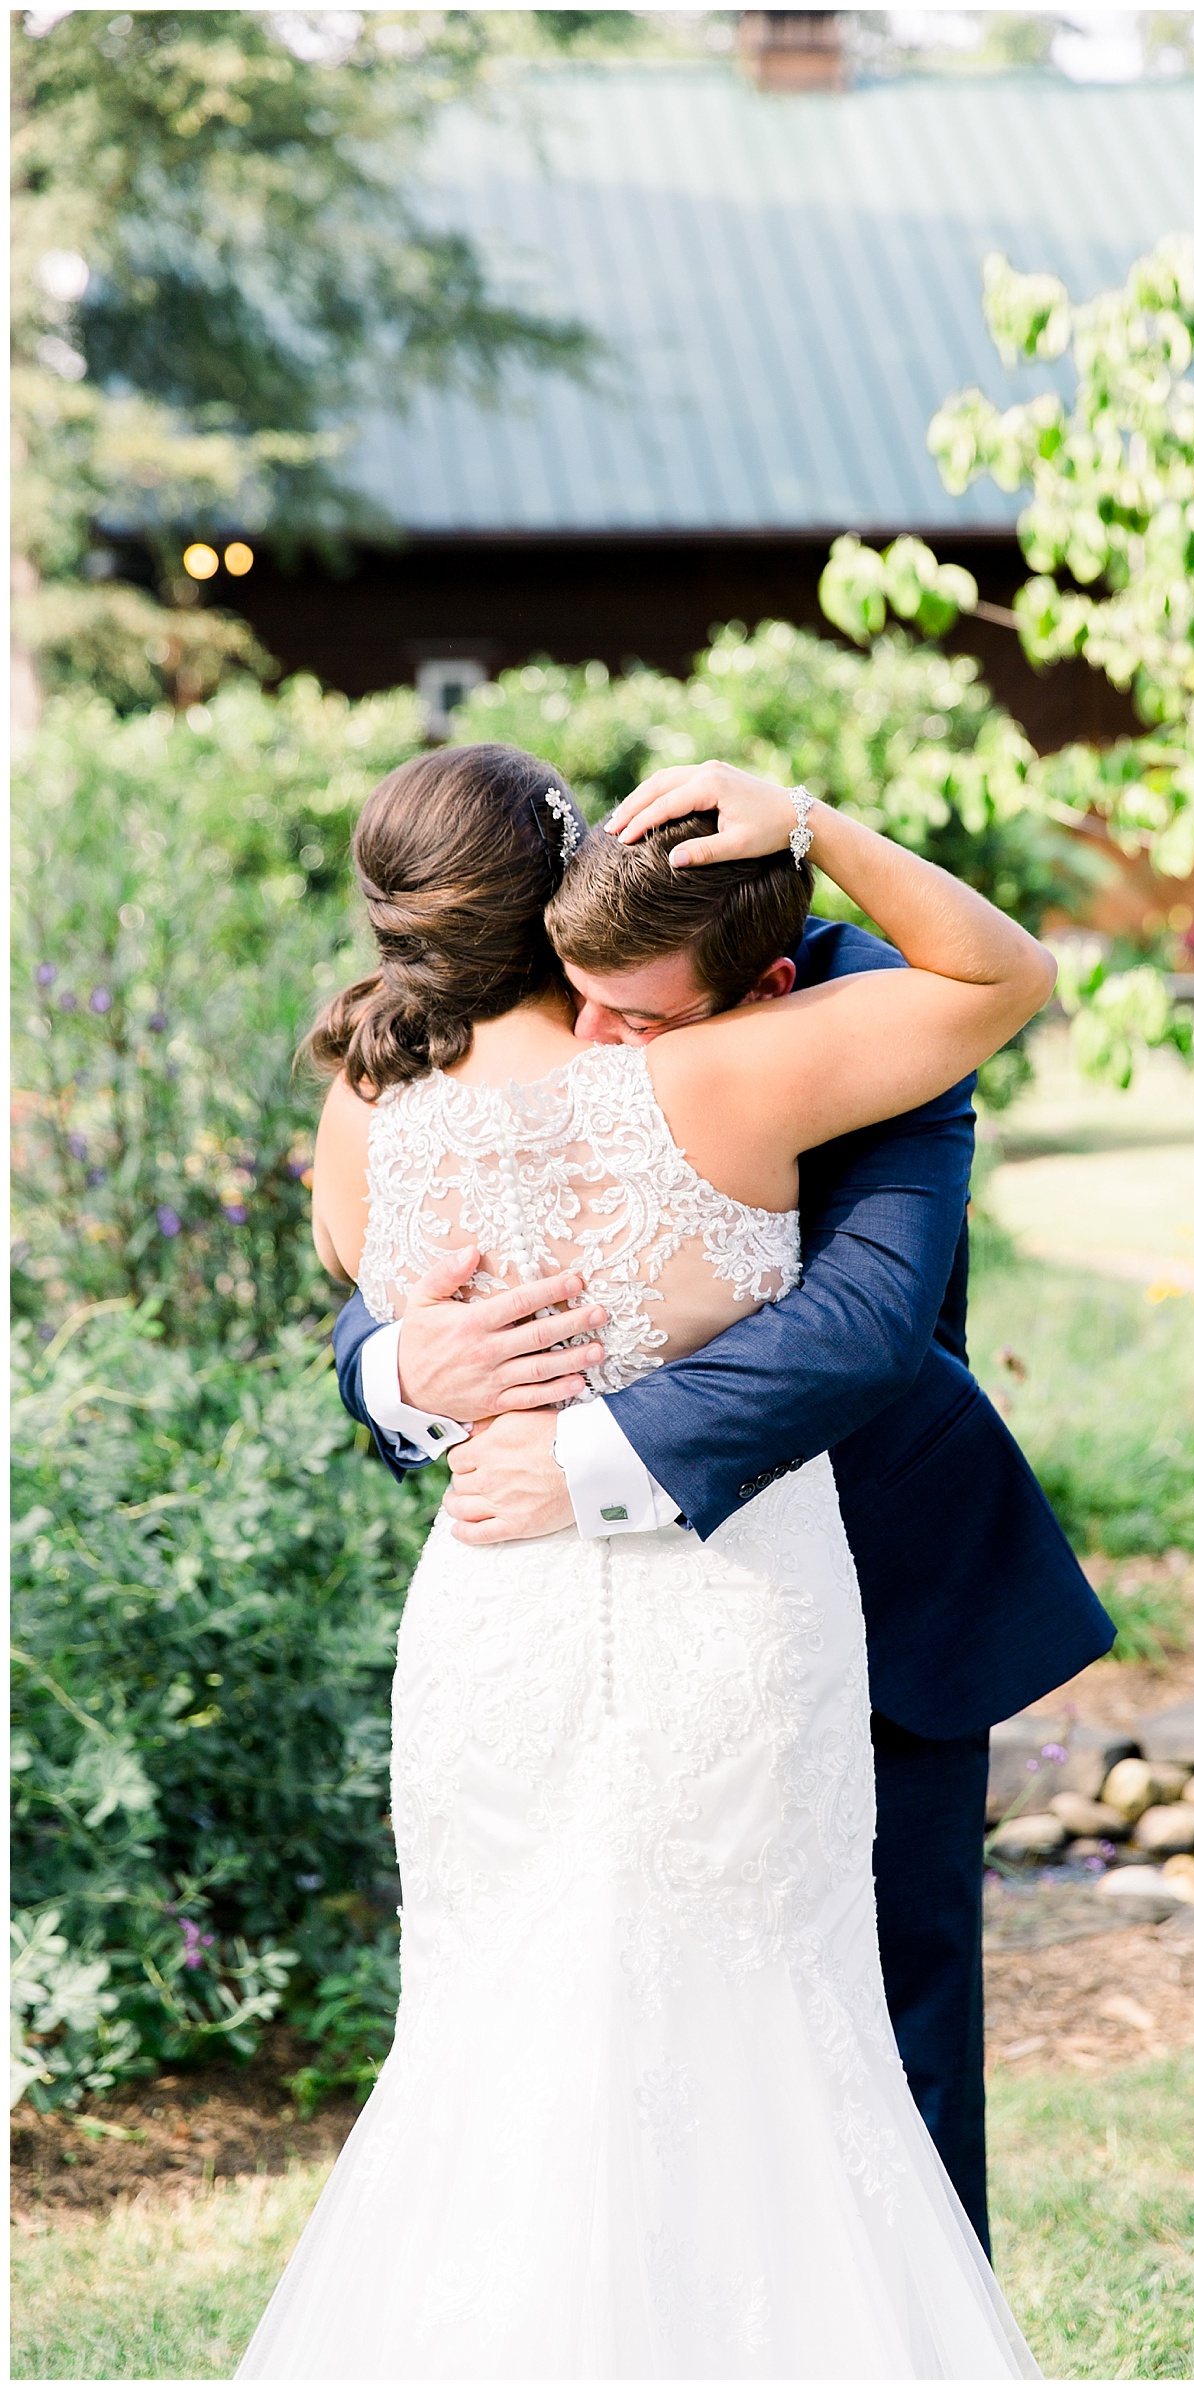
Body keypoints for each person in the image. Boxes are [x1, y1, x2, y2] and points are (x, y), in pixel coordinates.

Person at [238, 743, 1105, 2379]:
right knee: (625, 2034)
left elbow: (863, 1325)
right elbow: (384, 1327)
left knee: (839, 2047)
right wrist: (401, 1374)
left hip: (808, 1568)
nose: (625, 1020)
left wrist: (560, 1439)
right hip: (696, 1617)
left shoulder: (385, 1098)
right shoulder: (723, 1071)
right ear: (552, 908)